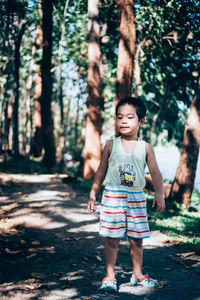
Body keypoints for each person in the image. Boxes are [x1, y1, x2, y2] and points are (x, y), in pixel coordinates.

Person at [87, 97, 165, 292]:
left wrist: (160, 194)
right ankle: (109, 276)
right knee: (112, 239)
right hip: (113, 196)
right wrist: (92, 193)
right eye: (119, 117)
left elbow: (155, 173)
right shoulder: (111, 145)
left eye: (130, 117)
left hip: (136, 198)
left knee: (136, 239)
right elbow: (101, 171)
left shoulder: (145, 147)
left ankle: (138, 274)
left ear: (141, 121)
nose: (123, 121)